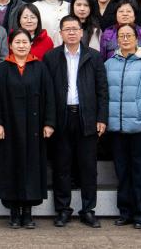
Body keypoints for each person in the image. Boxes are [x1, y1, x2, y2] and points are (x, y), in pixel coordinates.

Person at [45, 15, 108, 228]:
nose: (71, 33)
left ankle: (88, 210)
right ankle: (63, 209)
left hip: (86, 116)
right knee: (61, 166)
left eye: (75, 29)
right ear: (61, 33)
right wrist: (49, 121)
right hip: (61, 117)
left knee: (88, 167)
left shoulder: (94, 56)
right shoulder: (51, 57)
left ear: (81, 32)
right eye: (67, 29)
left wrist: (101, 117)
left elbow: (102, 90)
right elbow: (47, 93)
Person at [0, 28, 56, 229]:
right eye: (17, 42)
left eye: (25, 42)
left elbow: (50, 97)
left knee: (31, 168)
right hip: (9, 127)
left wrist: (49, 123)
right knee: (10, 167)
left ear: (30, 44)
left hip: (34, 127)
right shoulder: (2, 69)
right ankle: (13, 212)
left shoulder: (40, 67)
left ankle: (27, 213)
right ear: (10, 45)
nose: (21, 45)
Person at [104, 23, 141, 230]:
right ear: (116, 39)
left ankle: (140, 213)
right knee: (122, 173)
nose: (125, 39)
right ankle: (125, 212)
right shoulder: (109, 64)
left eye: (129, 35)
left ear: (137, 38)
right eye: (121, 36)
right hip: (117, 128)